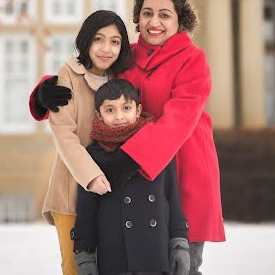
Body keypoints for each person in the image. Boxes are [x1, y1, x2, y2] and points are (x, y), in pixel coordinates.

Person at [30, 0, 226, 275]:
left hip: (184, 174)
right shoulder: (127, 56)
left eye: (165, 14)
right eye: (147, 13)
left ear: (180, 20)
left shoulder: (193, 60)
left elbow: (176, 122)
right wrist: (45, 91)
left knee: (181, 265)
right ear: (137, 19)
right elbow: (88, 75)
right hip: (129, 182)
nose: (154, 22)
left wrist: (125, 159)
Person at [41, 10, 133, 275]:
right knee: (77, 269)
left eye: (115, 41)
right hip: (72, 191)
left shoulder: (121, 81)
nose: (106, 48)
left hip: (111, 195)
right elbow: (63, 133)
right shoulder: (68, 74)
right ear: (86, 41)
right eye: (98, 39)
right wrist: (90, 175)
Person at [72, 78, 190, 275]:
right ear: (98, 116)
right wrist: (84, 255)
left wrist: (179, 243)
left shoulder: (158, 146)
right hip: (115, 256)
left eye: (126, 108)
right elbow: (86, 209)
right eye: (110, 110)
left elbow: (172, 197)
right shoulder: (92, 155)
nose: (119, 116)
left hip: (154, 254)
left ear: (138, 110)